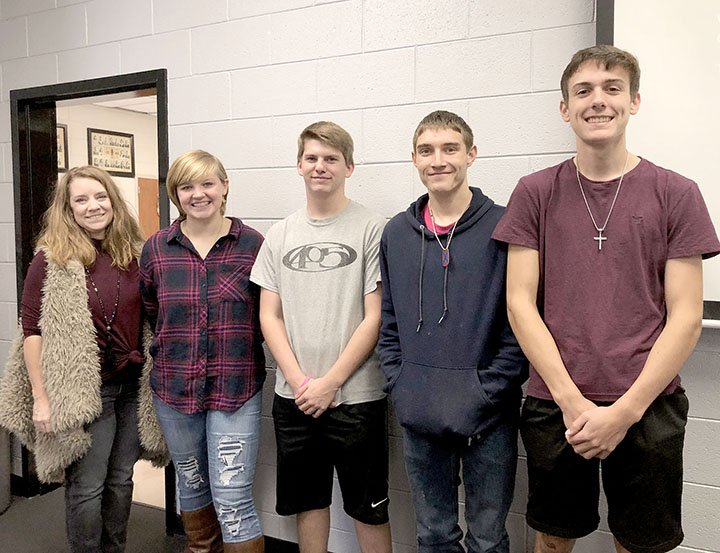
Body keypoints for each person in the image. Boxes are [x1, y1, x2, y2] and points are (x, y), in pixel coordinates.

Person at [492, 45, 720, 553]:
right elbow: (519, 305)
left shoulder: (676, 193)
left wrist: (624, 411)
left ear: (634, 101)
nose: (599, 101)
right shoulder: (534, 192)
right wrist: (574, 404)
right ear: (564, 108)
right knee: (553, 538)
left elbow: (686, 317)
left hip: (649, 403)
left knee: (640, 542)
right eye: (584, 91)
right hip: (556, 403)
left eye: (612, 88)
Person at [378, 110, 527, 553]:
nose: (437, 160)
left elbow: (520, 323)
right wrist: (401, 385)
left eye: (450, 149)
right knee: (434, 536)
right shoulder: (396, 234)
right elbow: (389, 322)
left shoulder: (506, 227)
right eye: (426, 151)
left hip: (490, 416)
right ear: (414, 159)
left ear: (471, 154)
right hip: (420, 413)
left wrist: (488, 390)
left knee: (487, 538)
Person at [0, 166, 168, 553]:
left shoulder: (136, 254)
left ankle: (115, 547)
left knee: (122, 478)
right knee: (88, 485)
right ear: (68, 208)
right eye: (81, 199)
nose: (93, 206)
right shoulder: (51, 259)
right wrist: (42, 397)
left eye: (100, 196)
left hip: (132, 387)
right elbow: (32, 332)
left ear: (112, 200)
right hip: (85, 392)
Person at [250, 121, 392, 553]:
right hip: (294, 398)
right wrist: (298, 381)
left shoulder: (373, 228)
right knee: (307, 502)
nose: (320, 166)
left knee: (369, 507)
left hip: (357, 397)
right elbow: (269, 316)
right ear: (298, 165)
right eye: (312, 158)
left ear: (349, 166)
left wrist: (330, 382)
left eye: (331, 159)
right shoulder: (279, 234)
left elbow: (375, 317)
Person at [139, 150, 266, 553]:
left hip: (236, 389)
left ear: (225, 186)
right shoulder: (157, 248)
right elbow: (150, 311)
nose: (199, 194)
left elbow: (271, 315)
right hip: (174, 391)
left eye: (207, 183)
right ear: (176, 194)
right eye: (187, 186)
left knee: (232, 498)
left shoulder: (253, 245)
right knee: (191, 487)